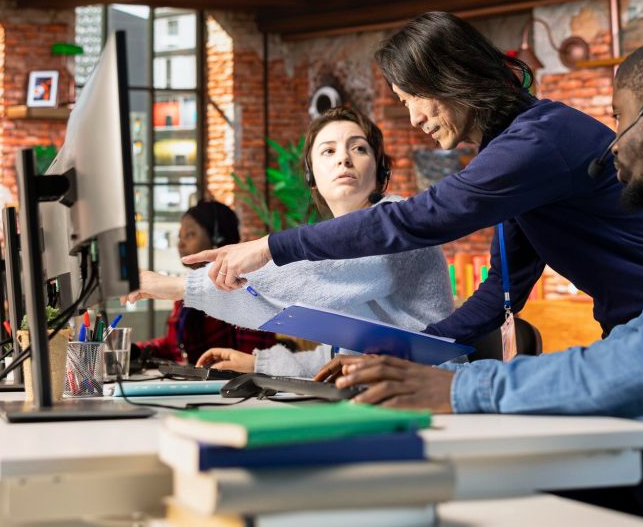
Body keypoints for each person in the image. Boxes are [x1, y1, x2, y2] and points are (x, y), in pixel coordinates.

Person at [318, 25, 643, 522]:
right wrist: (453, 379)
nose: (612, 143)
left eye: (619, 116)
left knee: (447, 485)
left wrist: (462, 391)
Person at [188, 11, 643, 341]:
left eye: (414, 97)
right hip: (639, 328)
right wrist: (415, 353)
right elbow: (503, 290)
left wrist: (270, 247)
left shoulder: (537, 142)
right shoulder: (518, 149)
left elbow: (415, 220)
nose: (414, 118)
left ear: (452, 76)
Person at [123, 107, 454, 377]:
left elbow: (314, 276)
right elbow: (345, 353)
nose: (344, 158)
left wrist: (177, 286)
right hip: (395, 382)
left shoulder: (395, 221)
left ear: (380, 171)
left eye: (359, 148)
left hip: (434, 389)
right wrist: (259, 364)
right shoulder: (338, 245)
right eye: (329, 151)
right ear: (312, 176)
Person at [132, 200, 278, 366]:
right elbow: (175, 347)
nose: (180, 243)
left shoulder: (243, 287)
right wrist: (137, 350)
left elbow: (250, 360)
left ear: (218, 239)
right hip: (196, 380)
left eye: (189, 235)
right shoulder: (187, 287)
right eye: (180, 236)